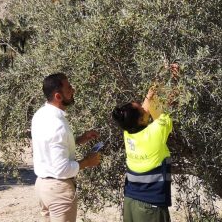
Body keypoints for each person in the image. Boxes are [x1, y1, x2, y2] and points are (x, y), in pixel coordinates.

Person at [111, 65, 179, 222]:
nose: (145, 108)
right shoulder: (155, 132)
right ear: (141, 119)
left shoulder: (128, 131)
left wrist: (160, 75)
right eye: (142, 110)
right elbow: (171, 103)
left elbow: (147, 102)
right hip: (150, 207)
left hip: (130, 200)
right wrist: (175, 78)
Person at [31, 73, 101, 222]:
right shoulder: (57, 125)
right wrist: (88, 162)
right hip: (59, 190)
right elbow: (62, 169)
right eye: (68, 88)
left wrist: (79, 139)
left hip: (42, 187)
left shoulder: (40, 114)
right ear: (58, 96)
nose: (73, 90)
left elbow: (52, 146)